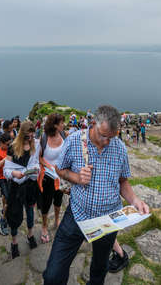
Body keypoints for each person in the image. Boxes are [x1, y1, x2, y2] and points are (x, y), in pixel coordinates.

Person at [43, 105, 149, 285]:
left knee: (99, 269)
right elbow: (59, 169)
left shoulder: (120, 148)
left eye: (112, 136)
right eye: (103, 135)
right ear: (93, 124)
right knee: (53, 275)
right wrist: (76, 177)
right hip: (77, 215)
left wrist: (135, 200)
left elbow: (123, 181)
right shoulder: (74, 141)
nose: (107, 141)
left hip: (108, 220)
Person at [4, 121, 40, 258]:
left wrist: (35, 169)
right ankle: (14, 242)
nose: (30, 139)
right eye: (27, 137)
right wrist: (14, 173)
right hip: (16, 186)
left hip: (30, 184)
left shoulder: (34, 145)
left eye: (31, 136)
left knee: (30, 211)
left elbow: (36, 163)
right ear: (21, 135)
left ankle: (30, 235)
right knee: (14, 214)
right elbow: (6, 169)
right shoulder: (12, 148)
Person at [38, 113, 65, 243]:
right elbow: (39, 157)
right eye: (61, 123)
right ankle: (44, 226)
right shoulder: (44, 138)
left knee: (58, 200)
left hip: (60, 176)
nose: (63, 125)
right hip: (47, 176)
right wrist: (49, 166)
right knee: (46, 202)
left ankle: (56, 220)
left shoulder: (64, 135)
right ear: (55, 125)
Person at [0, 133, 11, 236]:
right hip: (2, 178)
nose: (9, 146)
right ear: (1, 143)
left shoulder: (10, 149)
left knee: (5, 196)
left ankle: (4, 209)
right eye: (7, 144)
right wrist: (6, 159)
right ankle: (3, 220)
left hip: (10, 177)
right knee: (9, 199)